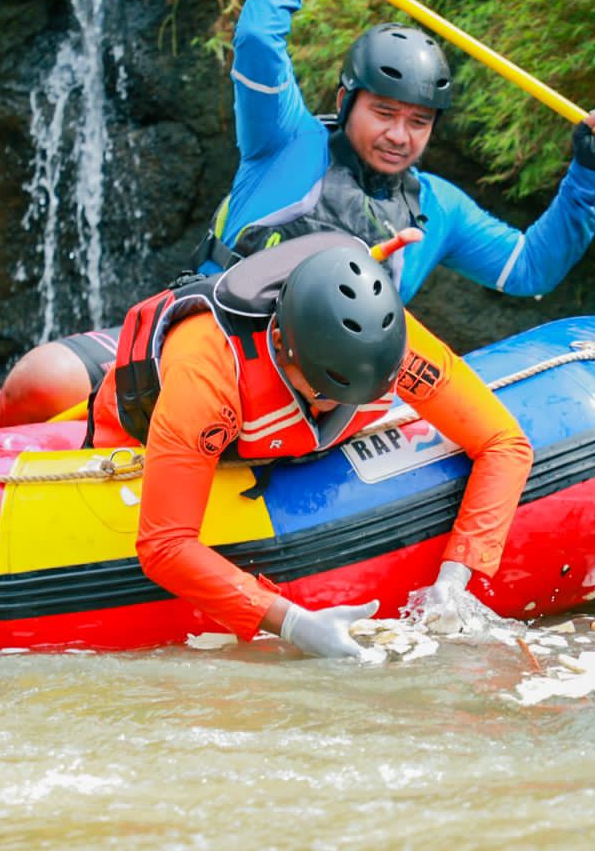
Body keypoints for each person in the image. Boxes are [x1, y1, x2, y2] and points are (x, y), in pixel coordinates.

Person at [0, 0, 595, 428]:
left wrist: (587, 175)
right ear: (344, 101)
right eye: (384, 112)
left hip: (319, 390)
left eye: (419, 121)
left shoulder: (438, 205)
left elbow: (529, 269)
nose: (400, 136)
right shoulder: (284, 139)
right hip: (209, 340)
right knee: (36, 384)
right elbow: (256, 45)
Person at [89, 233, 533, 658]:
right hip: (137, 435)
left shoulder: (387, 343)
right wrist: (292, 623)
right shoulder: (207, 376)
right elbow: (164, 545)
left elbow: (504, 443)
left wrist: (455, 578)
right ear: (281, 345)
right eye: (326, 392)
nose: (338, 406)